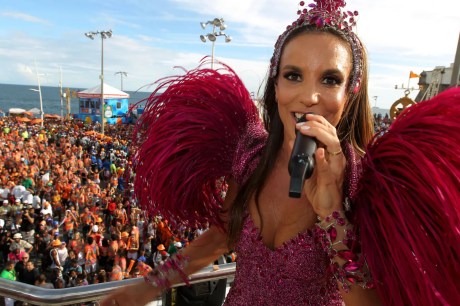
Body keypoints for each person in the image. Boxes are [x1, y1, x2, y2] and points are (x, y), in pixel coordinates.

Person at [101, 1, 460, 305]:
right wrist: (142, 289)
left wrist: (332, 213)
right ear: (275, 84)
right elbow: (218, 239)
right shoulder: (251, 158)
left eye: (330, 80)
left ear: (350, 92)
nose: (309, 96)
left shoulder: (366, 182)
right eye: (294, 75)